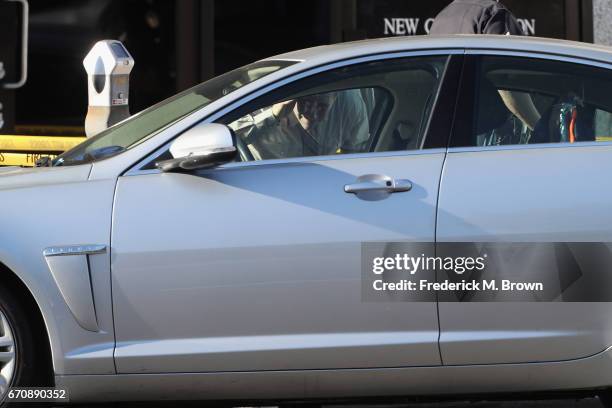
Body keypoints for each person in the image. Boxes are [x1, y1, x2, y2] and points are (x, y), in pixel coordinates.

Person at [430, 0, 541, 131]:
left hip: (446, 131)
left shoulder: (442, 17)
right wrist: (539, 127)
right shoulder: (493, 15)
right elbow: (508, 82)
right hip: (486, 135)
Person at [239, 89, 370, 160]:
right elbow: (227, 133)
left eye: (321, 106)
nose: (312, 113)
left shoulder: (349, 103)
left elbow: (356, 152)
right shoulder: (269, 95)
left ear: (334, 98)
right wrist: (272, 116)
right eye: (307, 101)